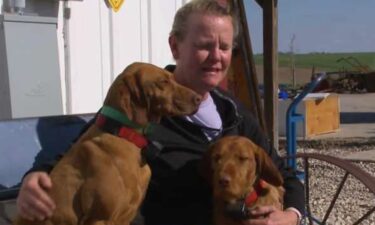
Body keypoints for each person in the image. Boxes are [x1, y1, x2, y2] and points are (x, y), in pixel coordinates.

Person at [16, 0, 304, 224]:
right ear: (175, 46)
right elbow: (78, 151)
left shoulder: (234, 113)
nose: (216, 57)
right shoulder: (142, 108)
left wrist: (290, 215)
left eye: (225, 47)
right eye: (204, 45)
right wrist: (35, 176)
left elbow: (285, 174)